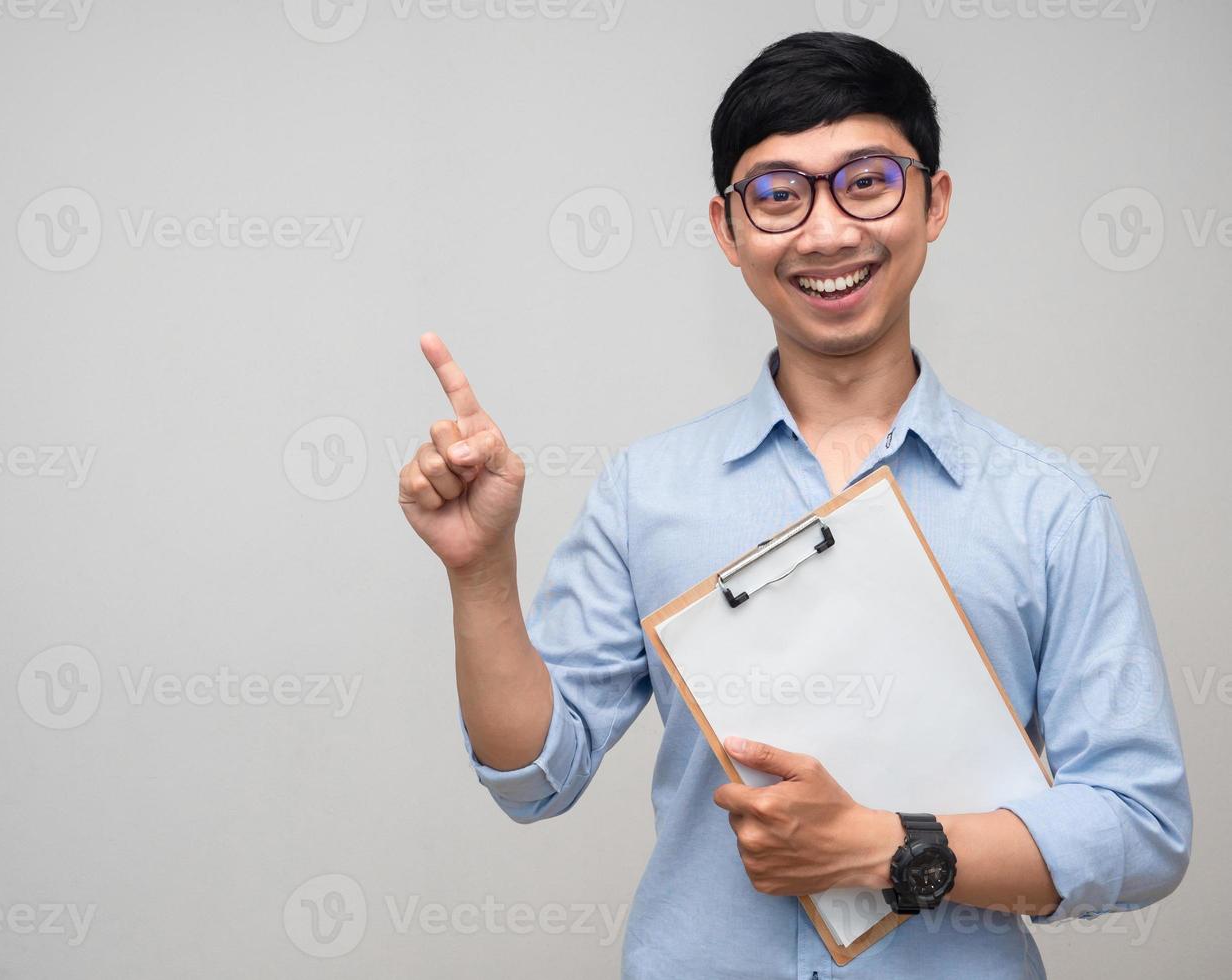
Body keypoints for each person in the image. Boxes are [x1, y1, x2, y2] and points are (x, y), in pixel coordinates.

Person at [397, 30, 1191, 979]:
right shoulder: (646, 493)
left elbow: (1142, 830)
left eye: (866, 182)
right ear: (727, 229)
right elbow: (535, 776)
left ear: (932, 201)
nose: (825, 233)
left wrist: (886, 851)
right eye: (777, 195)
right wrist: (480, 571)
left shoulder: (1050, 510)